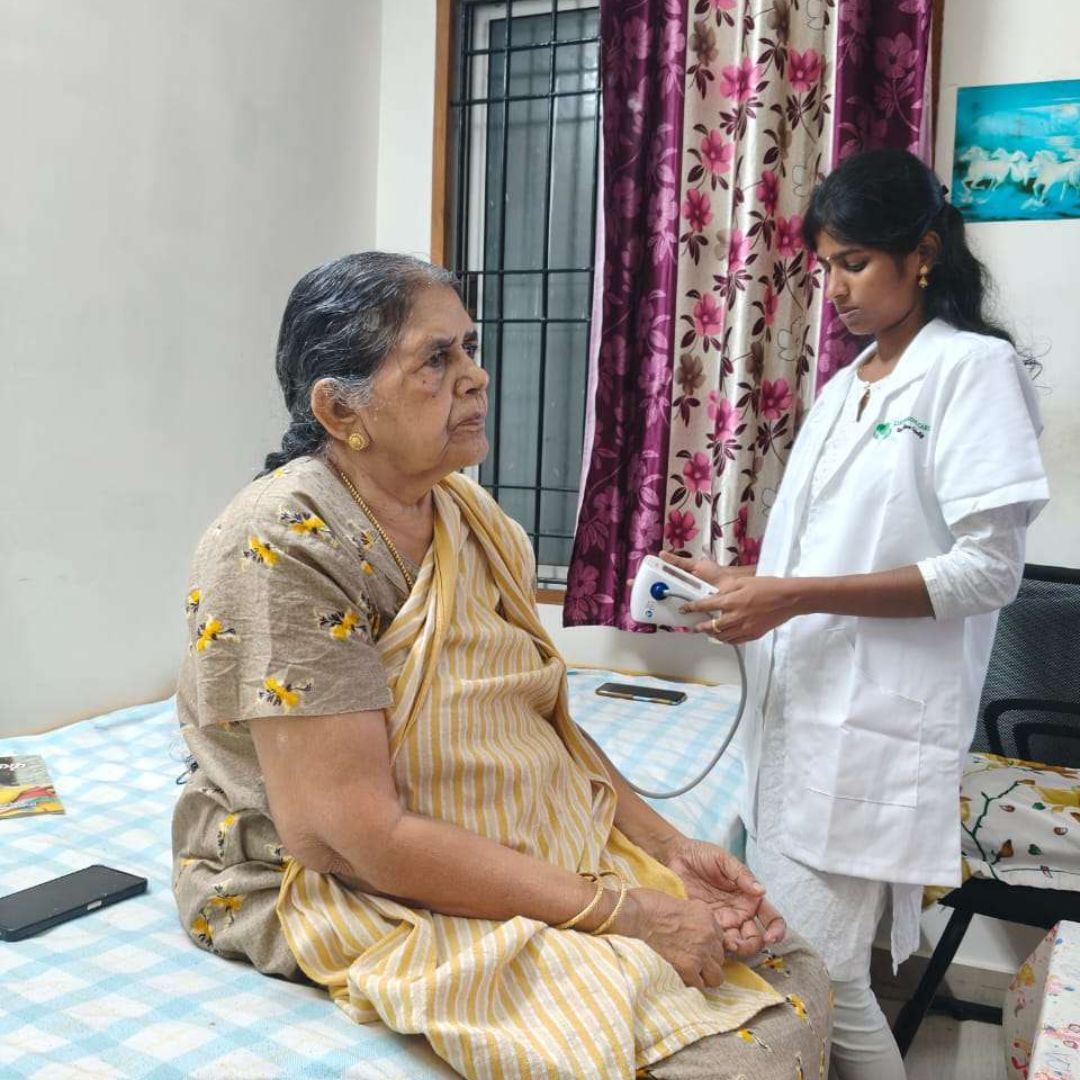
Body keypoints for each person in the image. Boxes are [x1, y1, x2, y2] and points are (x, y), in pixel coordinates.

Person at [172, 252, 832, 1079]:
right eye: (436, 359)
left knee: (783, 966)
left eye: (470, 349)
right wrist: (622, 914)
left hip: (467, 826)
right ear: (342, 410)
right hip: (318, 876)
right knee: (693, 1036)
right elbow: (346, 834)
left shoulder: (470, 516)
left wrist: (667, 848)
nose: (477, 377)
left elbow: (534, 719)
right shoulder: (284, 543)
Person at [665, 148, 1049, 1080]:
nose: (832, 288)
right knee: (808, 969)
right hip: (797, 711)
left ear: (922, 254)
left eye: (855, 263)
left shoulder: (972, 370)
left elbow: (986, 571)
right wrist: (737, 581)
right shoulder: (848, 386)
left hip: (872, 727)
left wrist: (790, 594)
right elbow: (816, 557)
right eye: (825, 265)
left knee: (820, 977)